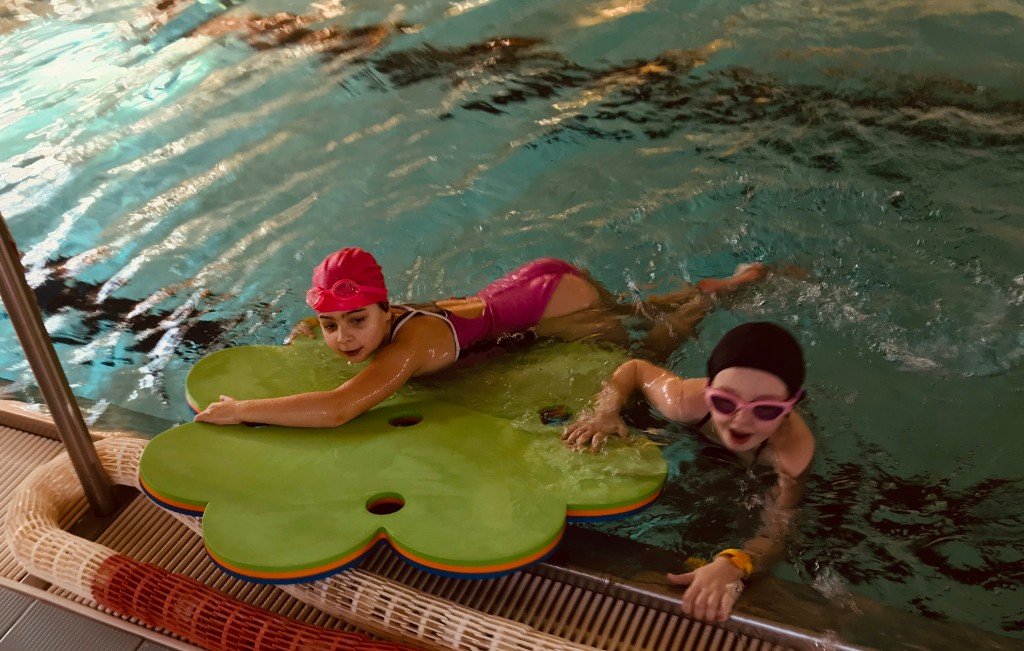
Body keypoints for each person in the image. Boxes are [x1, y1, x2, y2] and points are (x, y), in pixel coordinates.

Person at [194, 247, 770, 428]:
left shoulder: (410, 346)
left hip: (553, 303)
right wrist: (309, 328)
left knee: (647, 353)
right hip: (535, 284)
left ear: (385, 309)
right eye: (330, 325)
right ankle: (710, 287)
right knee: (629, 309)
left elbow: (339, 408)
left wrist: (242, 409)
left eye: (356, 321)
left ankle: (706, 301)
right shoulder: (393, 317)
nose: (343, 338)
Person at [562, 322, 814, 623]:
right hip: (701, 436)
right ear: (709, 391)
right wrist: (605, 411)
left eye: (766, 409)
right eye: (724, 402)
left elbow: (777, 530)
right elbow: (635, 369)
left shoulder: (792, 454)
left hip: (757, 466)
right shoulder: (685, 401)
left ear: (790, 406)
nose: (740, 421)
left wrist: (735, 563)